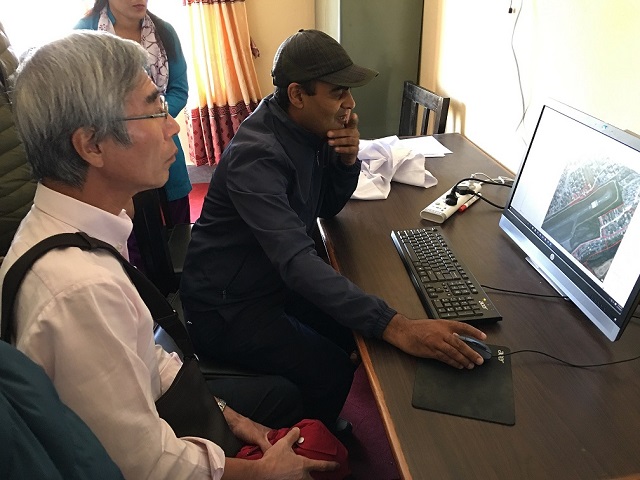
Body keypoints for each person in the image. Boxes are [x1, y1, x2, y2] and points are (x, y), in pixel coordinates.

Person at [0, 30, 338, 479]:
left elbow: (140, 352)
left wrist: (225, 412)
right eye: (154, 108)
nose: (173, 125)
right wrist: (261, 473)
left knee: (281, 394)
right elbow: (144, 466)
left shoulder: (68, 228)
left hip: (154, 411)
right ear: (91, 145)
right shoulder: (79, 288)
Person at [180, 29, 489, 430]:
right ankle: (316, 437)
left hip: (267, 280)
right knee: (333, 367)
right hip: (226, 306)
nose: (350, 103)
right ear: (297, 94)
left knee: (355, 336)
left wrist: (346, 161)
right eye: (338, 92)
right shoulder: (257, 156)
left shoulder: (307, 129)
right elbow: (296, 262)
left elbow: (322, 207)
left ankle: (313, 407)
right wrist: (398, 327)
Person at [76, 0, 192, 227]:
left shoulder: (164, 31)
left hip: (161, 136)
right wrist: (129, 122)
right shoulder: (84, 33)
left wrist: (150, 117)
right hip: (115, 145)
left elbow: (179, 90)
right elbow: (81, 99)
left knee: (179, 227)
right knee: (127, 230)